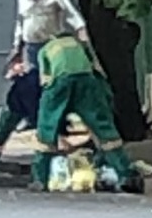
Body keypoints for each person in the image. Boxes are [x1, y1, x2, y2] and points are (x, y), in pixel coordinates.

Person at [29, 32, 144, 193]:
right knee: (105, 132)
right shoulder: (81, 45)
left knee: (46, 131)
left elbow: (46, 81)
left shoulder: (46, 50)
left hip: (60, 83)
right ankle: (126, 175)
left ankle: (40, 179)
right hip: (87, 83)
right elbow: (97, 70)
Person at [11, 0, 89, 71]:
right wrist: (17, 44)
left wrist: (80, 28)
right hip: (32, 44)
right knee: (36, 72)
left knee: (52, 70)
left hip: (51, 42)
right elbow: (20, 22)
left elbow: (71, 13)